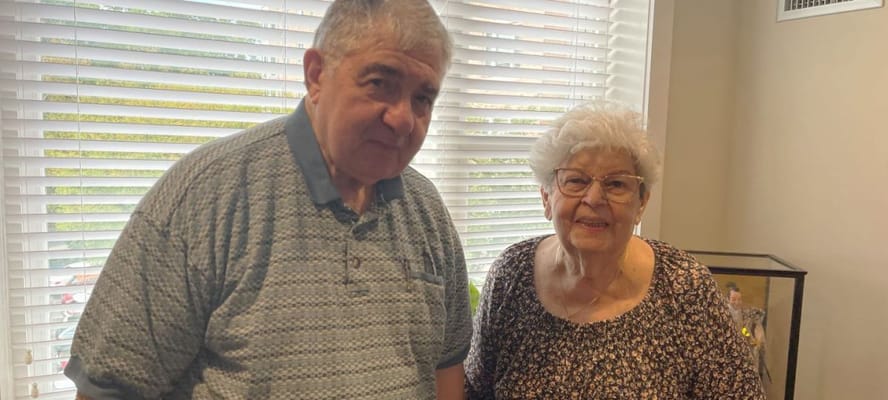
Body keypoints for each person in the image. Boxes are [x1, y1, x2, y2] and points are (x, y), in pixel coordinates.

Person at [64, 1, 472, 399]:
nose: (403, 118)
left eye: (423, 98)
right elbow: (110, 386)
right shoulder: (206, 195)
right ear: (316, 75)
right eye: (380, 83)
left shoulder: (426, 211)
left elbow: (446, 365)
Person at [464, 102, 765, 399]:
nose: (594, 198)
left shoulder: (685, 287)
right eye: (576, 180)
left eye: (617, 184)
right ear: (547, 198)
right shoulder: (511, 276)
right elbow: (474, 391)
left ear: (641, 203)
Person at [726, 283, 770, 387]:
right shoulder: (724, 312)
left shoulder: (743, 313)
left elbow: (743, 329)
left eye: (739, 299)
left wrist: (750, 338)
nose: (737, 302)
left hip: (740, 346)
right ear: (727, 299)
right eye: (733, 299)